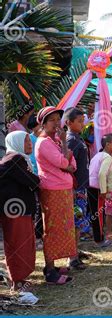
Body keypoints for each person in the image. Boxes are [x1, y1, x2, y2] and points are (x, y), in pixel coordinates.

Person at [35, 106, 76, 285]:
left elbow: (71, 164)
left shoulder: (55, 141)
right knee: (52, 229)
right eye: (51, 120)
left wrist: (66, 159)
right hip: (52, 190)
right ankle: (50, 270)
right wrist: (65, 147)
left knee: (63, 227)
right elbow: (63, 161)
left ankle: (52, 266)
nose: (55, 123)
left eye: (57, 119)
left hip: (62, 189)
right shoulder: (44, 143)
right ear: (43, 124)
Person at [0, 131, 40, 293]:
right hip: (16, 210)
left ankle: (19, 279)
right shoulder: (16, 159)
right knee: (18, 244)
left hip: (16, 209)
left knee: (19, 243)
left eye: (29, 141)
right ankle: (17, 281)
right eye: (25, 141)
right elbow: (32, 180)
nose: (30, 144)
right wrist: (38, 180)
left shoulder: (11, 159)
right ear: (16, 142)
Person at [64, 107, 92, 261]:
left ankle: (75, 250)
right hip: (76, 187)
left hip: (82, 186)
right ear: (68, 122)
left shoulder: (78, 138)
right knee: (75, 221)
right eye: (79, 121)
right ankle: (72, 257)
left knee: (79, 221)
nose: (83, 124)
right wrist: (73, 188)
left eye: (83, 121)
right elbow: (67, 165)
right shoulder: (71, 141)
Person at [88, 134, 112, 248]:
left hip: (90, 186)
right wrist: (104, 191)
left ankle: (98, 237)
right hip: (97, 188)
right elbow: (101, 174)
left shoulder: (97, 155)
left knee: (95, 214)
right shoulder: (107, 157)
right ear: (108, 144)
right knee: (99, 215)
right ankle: (99, 240)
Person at [27, 115, 43, 246]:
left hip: (42, 176)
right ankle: (37, 235)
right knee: (38, 206)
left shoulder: (42, 138)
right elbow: (32, 159)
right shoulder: (31, 139)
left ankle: (40, 234)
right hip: (36, 176)